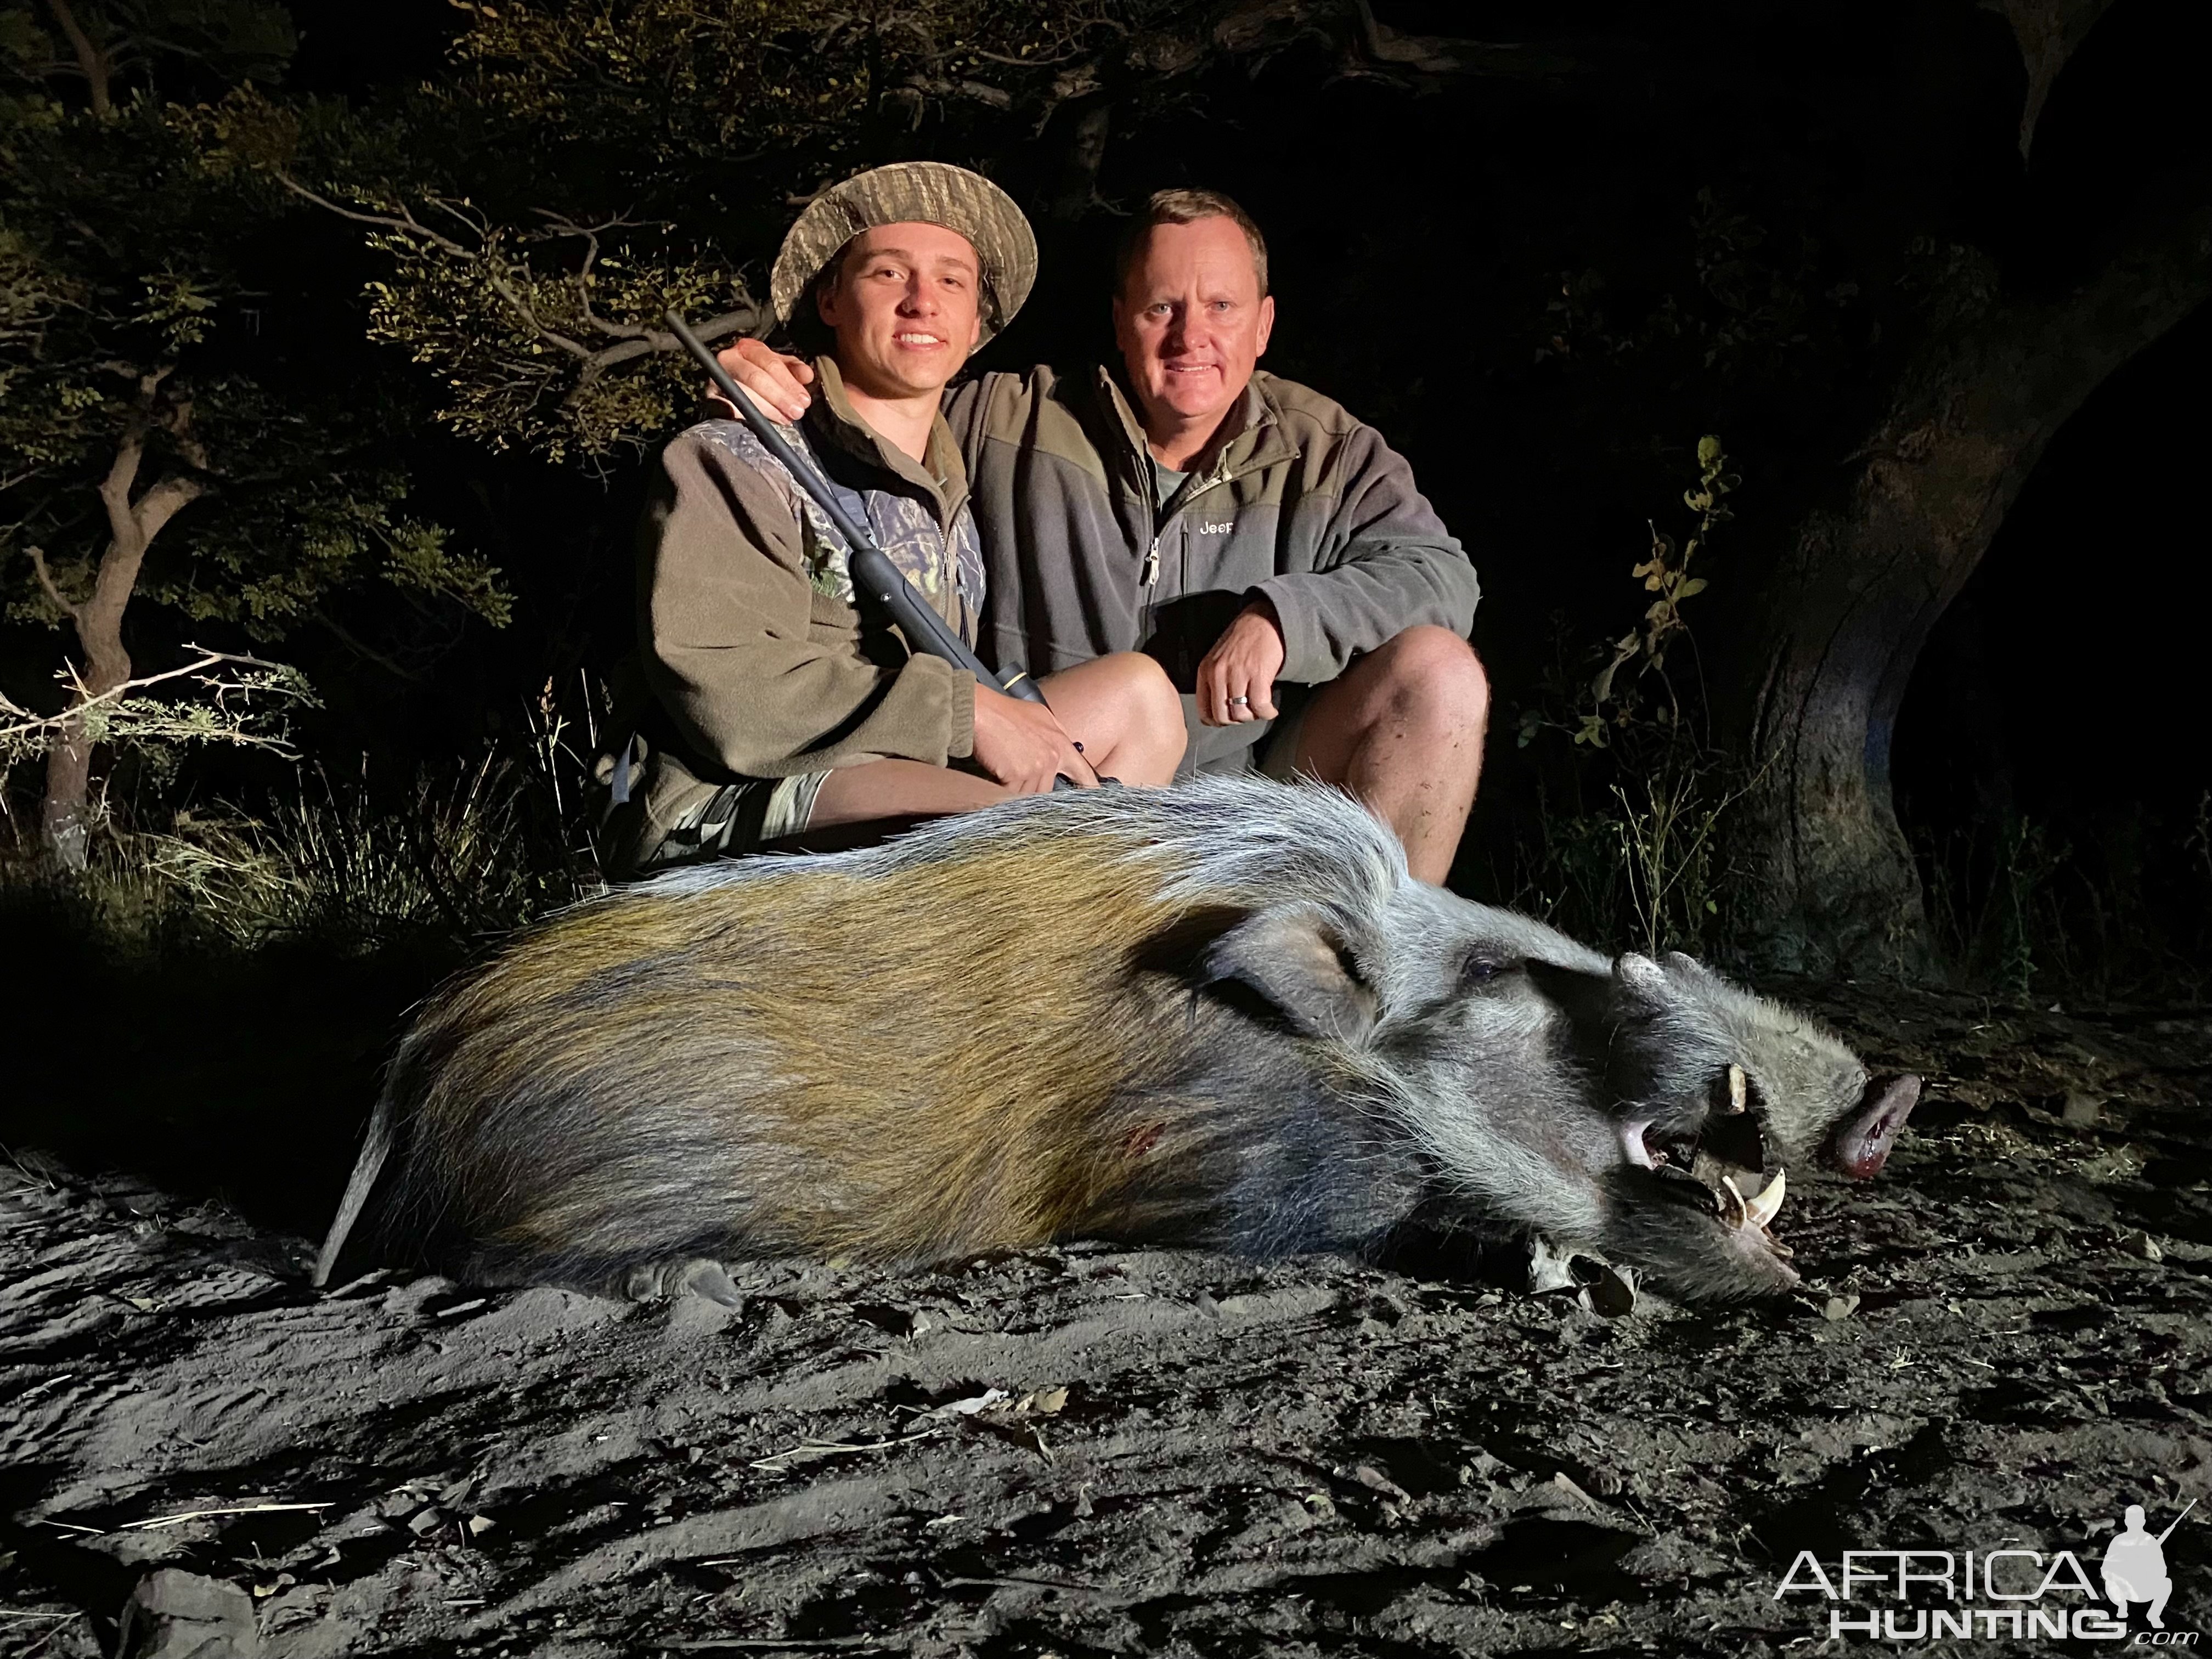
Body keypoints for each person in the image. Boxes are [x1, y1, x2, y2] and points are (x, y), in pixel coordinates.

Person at [722, 188, 1487, 883]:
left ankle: (1387, 969)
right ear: (1121, 320)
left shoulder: (1327, 451)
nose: (1193, 336)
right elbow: (881, 399)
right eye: (1163, 309)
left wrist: (1286, 617)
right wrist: (778, 377)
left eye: (1222, 307)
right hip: (1070, 775)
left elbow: (1442, 577)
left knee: (1442, 675)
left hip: (1256, 791)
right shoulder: (1007, 419)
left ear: (1264, 324)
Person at [601, 163, 1187, 877]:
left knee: (1144, 700)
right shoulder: (736, 456)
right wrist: (965, 715)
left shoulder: (957, 477)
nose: (921, 302)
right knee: (1023, 835)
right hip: (727, 798)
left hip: (893, 758)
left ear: (977, 325)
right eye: (886, 274)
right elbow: (730, 699)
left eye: (951, 281)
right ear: (830, 301)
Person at [2103, 1504, 2174, 1628]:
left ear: (2143, 1522)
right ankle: (2122, 1606)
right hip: (2123, 1590)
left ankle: (2154, 1615)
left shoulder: (2150, 1541)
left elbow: (2162, 1570)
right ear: (2126, 1522)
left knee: (2166, 1583)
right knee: (2110, 1582)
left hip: (2143, 1589)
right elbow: (2106, 1570)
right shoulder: (2119, 1541)